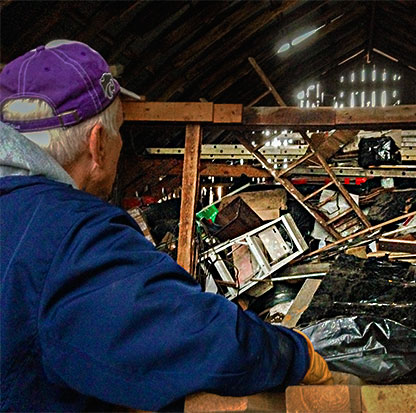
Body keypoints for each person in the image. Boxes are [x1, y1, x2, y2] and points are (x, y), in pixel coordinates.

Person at [0, 40, 331, 412]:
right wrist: (294, 353)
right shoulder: (72, 238)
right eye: (120, 130)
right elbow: (199, 340)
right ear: (98, 146)